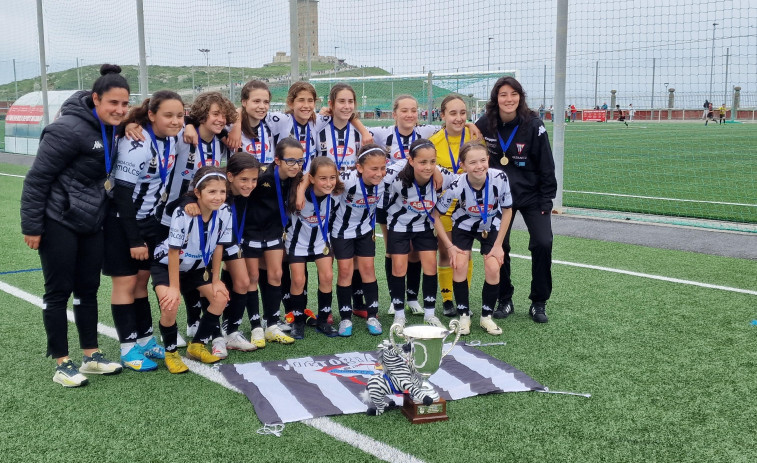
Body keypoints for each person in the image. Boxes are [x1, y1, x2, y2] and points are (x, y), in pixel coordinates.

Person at [20, 64, 127, 387]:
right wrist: (32, 226)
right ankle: (62, 362)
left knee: (88, 290)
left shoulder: (115, 128)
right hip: (58, 221)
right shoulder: (66, 129)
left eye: (125, 104)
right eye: (113, 104)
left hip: (92, 221)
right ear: (95, 99)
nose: (119, 110)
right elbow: (37, 180)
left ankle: (91, 355)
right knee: (58, 292)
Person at [106, 90, 185, 372]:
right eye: (168, 115)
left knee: (141, 283)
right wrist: (134, 238)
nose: (175, 121)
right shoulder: (136, 143)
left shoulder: (175, 136)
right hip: (121, 221)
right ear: (151, 115)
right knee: (125, 284)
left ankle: (145, 338)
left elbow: (217, 119)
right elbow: (122, 196)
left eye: (180, 115)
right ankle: (128, 348)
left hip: (150, 221)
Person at [475, 76, 556, 323]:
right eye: (503, 95)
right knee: (499, 247)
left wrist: (546, 201)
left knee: (543, 243)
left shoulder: (533, 124)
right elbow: (468, 143)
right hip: (498, 199)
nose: (508, 99)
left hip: (531, 196)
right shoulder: (485, 124)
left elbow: (546, 165)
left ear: (520, 97)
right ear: (495, 99)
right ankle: (504, 298)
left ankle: (538, 302)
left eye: (513, 94)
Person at [151, 167, 232, 370]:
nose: (218, 197)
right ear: (198, 193)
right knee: (171, 304)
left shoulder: (225, 211)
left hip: (197, 269)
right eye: (212, 192)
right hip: (168, 266)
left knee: (220, 297)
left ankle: (197, 345)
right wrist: (174, 288)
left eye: (222, 192)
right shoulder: (183, 212)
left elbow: (219, 246)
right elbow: (173, 251)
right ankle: (171, 353)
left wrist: (215, 280)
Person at [435, 142, 513, 335]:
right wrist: (449, 246)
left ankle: (486, 317)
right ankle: (463, 316)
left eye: (483, 160)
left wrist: (498, 245)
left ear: (488, 160)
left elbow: (508, 210)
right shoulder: (456, 184)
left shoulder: (500, 178)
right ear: (463, 165)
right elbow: (435, 216)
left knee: (494, 265)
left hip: (491, 224)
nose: (479, 166)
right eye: (473, 162)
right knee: (459, 263)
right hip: (464, 225)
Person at [382, 139, 454, 328]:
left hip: (424, 226)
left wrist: (443, 201)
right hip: (399, 225)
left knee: (430, 264)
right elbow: (379, 176)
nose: (429, 167)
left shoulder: (441, 175)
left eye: (433, 162)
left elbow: (461, 182)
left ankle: (430, 313)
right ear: (411, 161)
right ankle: (399, 313)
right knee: (399, 267)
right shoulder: (395, 176)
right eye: (423, 162)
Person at [243, 137, 304, 345]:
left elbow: (310, 177)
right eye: (291, 161)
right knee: (252, 277)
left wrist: (302, 189)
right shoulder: (261, 176)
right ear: (277, 160)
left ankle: (271, 324)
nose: (296, 166)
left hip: (274, 232)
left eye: (300, 161)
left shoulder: (296, 176)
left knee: (276, 274)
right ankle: (255, 327)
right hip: (251, 232)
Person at [327, 144, 391, 336]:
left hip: (365, 230)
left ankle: (372, 315)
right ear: (360, 167)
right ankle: (345, 318)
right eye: (374, 168)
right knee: (345, 271)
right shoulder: (346, 181)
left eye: (382, 168)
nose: (379, 173)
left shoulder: (387, 179)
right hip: (341, 231)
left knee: (368, 270)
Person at [286, 157, 342, 339]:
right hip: (297, 243)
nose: (328, 183)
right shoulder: (296, 191)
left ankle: (324, 320)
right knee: (298, 281)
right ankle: (298, 321)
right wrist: (301, 189)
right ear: (311, 178)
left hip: (321, 242)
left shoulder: (338, 191)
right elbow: (299, 179)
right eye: (323, 178)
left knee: (327, 276)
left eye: (332, 178)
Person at [429, 94, 473, 317]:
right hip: (444, 206)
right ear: (443, 115)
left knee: (466, 254)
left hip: (470, 207)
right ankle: (447, 300)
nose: (458, 118)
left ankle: (463, 300)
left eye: (463, 113)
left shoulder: (475, 137)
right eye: (453, 113)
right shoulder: (434, 142)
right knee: (446, 252)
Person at [316, 84, 363, 172]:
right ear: (331, 104)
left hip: (352, 185)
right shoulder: (318, 130)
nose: (347, 106)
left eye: (350, 101)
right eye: (341, 101)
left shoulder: (361, 132)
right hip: (326, 184)